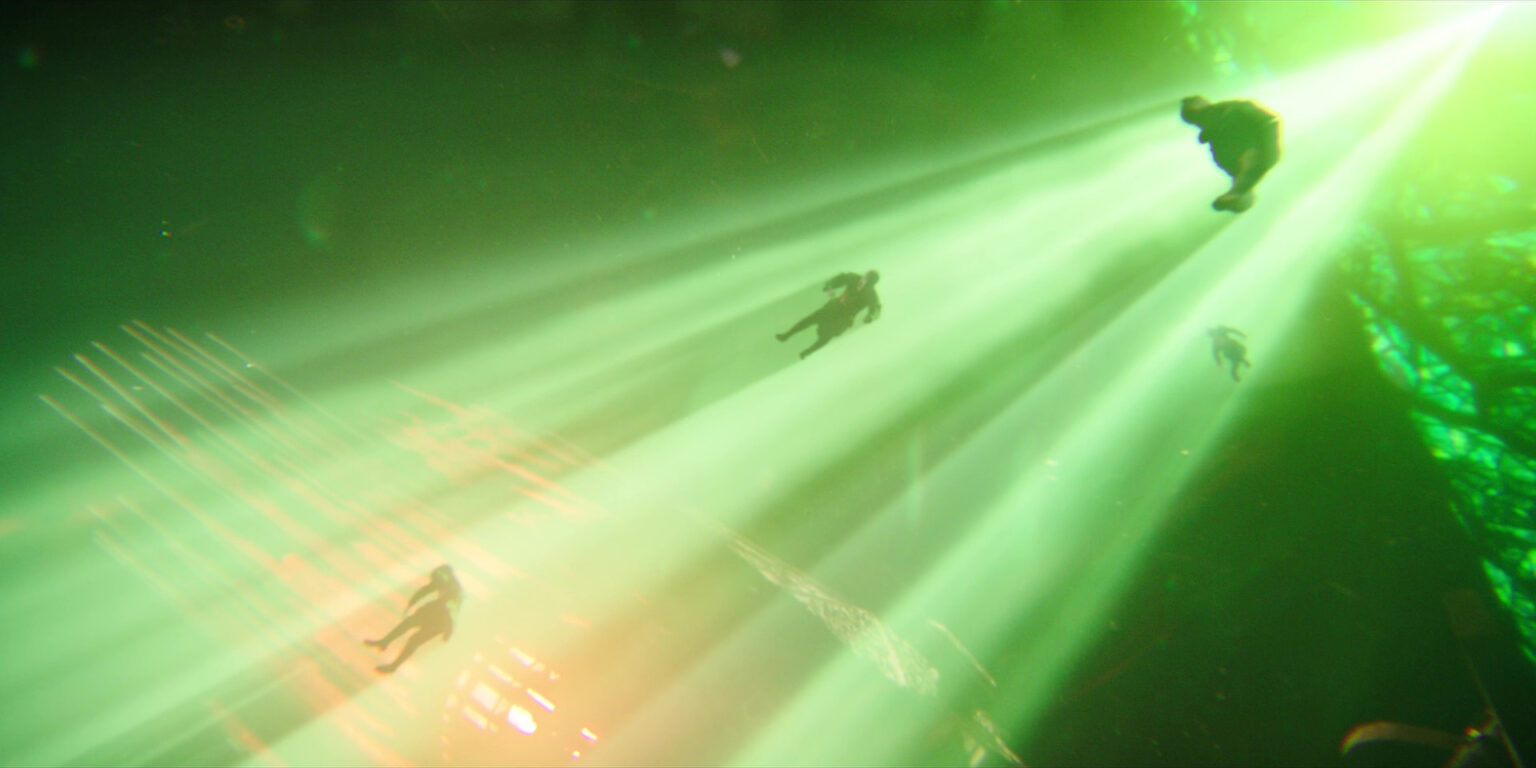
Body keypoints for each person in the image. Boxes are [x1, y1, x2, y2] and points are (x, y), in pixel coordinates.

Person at [1180, 96, 1282, 213]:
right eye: (1232, 198)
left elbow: (1215, 144)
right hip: (1233, 115)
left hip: (1222, 118)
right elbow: (1270, 121)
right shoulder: (1267, 160)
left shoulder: (1229, 165)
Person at [365, 564, 462, 673]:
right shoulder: (448, 584)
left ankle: (392, 662)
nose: (434, 583)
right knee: (409, 627)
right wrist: (412, 602)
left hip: (440, 617)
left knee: (413, 638)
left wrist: (449, 630)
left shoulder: (451, 587)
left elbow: (449, 610)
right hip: (438, 614)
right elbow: (426, 590)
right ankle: (385, 644)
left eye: (436, 580)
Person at [776, 270, 882, 359]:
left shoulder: (871, 294)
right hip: (834, 307)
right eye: (865, 278)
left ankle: (807, 352)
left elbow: (876, 308)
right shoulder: (854, 278)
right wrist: (829, 286)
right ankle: (787, 335)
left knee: (826, 336)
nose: (863, 282)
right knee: (811, 319)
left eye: (867, 281)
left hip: (844, 317)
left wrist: (871, 317)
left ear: (871, 284)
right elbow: (839, 279)